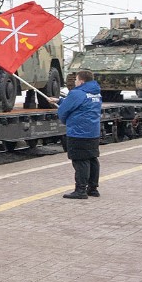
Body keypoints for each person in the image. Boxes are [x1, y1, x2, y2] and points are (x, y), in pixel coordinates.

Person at [56, 70, 103, 199]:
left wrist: (63, 115)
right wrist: (60, 101)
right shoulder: (96, 93)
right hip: (92, 132)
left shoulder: (76, 93)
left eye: (76, 80)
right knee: (92, 159)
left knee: (80, 160)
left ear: (81, 81)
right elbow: (81, 104)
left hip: (78, 132)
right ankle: (93, 189)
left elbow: (63, 111)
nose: (75, 82)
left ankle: (80, 190)